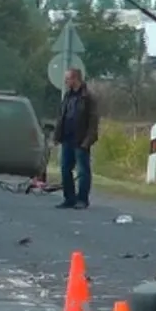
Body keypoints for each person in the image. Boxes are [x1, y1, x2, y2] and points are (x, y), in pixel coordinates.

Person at [55, 66, 100, 209]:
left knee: (82, 171)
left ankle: (82, 199)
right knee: (65, 169)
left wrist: (88, 141)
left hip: (81, 140)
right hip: (67, 138)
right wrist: (57, 135)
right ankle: (69, 198)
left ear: (76, 79)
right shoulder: (68, 96)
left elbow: (93, 122)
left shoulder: (88, 97)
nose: (66, 81)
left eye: (68, 79)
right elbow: (62, 116)